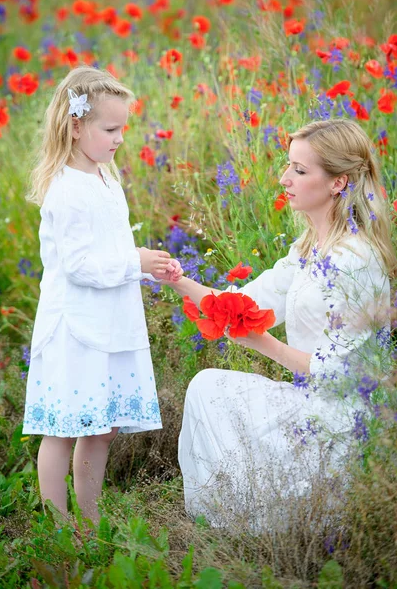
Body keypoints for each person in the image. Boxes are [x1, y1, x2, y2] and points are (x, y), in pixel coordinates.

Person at [167, 119, 396, 528]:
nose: (284, 178)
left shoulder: (355, 260)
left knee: (210, 389)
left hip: (343, 421)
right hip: (312, 401)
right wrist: (176, 278)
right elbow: (246, 301)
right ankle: (237, 519)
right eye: (288, 165)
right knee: (208, 387)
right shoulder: (311, 248)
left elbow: (342, 373)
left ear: (338, 183)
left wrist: (262, 343)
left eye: (300, 170)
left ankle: (267, 521)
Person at [23, 66, 183, 525]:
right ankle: (58, 527)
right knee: (64, 428)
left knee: (103, 427)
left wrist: (147, 263)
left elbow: (109, 251)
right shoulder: (66, 190)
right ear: (76, 126)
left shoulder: (105, 180)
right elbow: (77, 265)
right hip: (76, 327)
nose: (119, 139)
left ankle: (91, 521)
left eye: (122, 129)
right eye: (110, 129)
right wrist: (135, 263)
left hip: (111, 320)